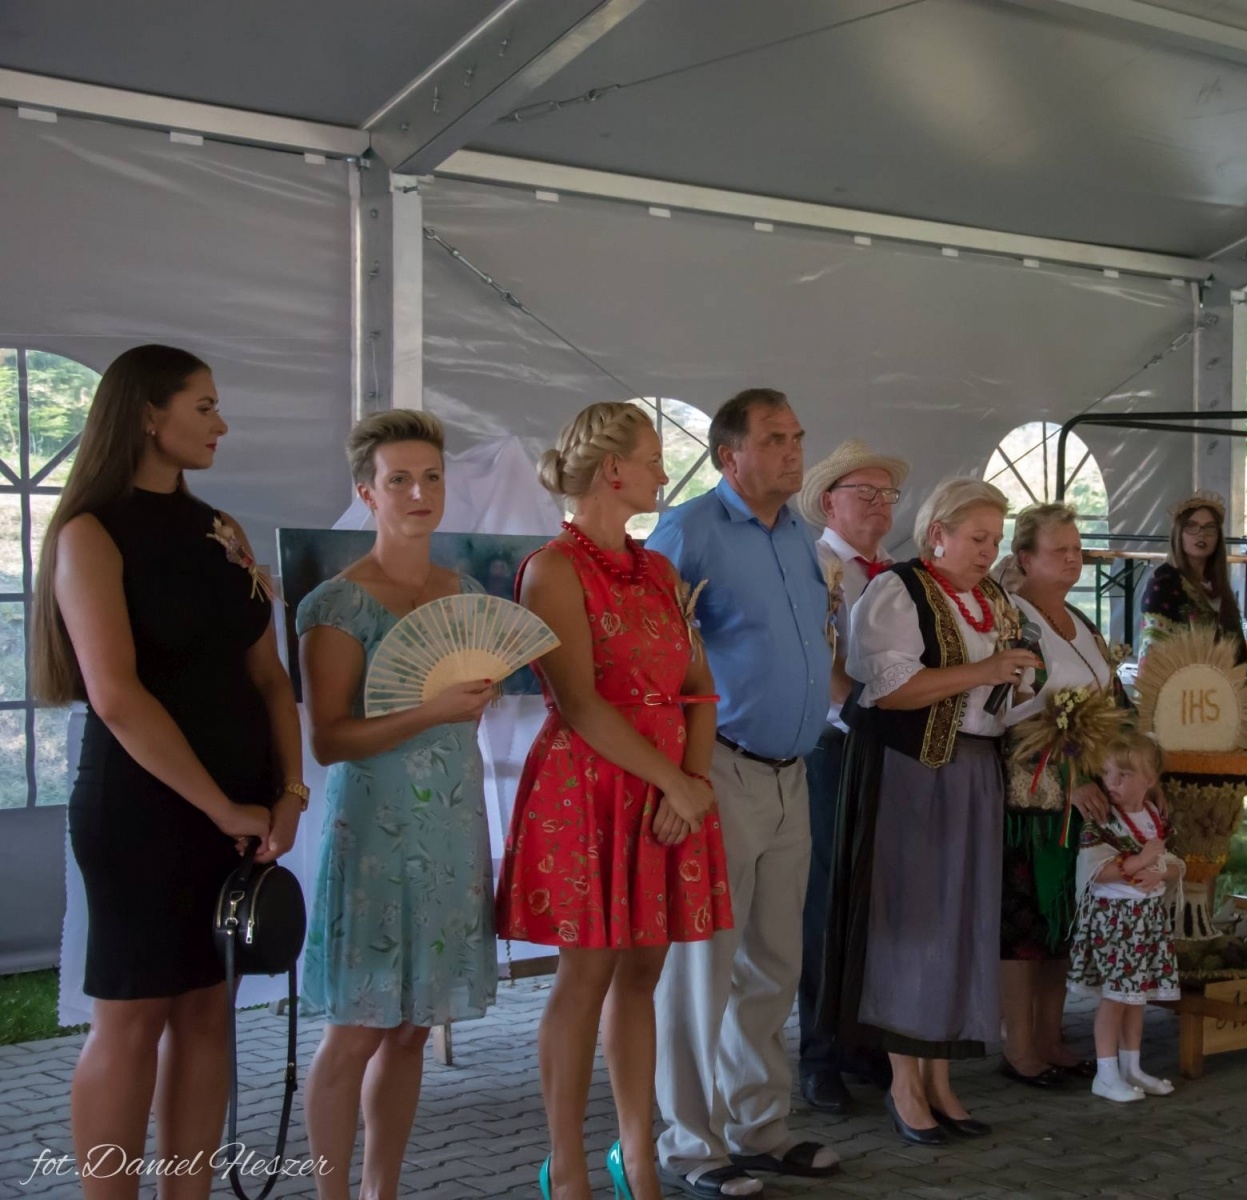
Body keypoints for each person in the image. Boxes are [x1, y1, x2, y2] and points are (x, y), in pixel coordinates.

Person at [34, 344, 305, 1200]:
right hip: (142, 813)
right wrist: (221, 805)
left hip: (241, 812)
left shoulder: (220, 529)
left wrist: (289, 792)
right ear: (149, 415)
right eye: (205, 406)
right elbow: (116, 695)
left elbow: (271, 678)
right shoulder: (90, 533)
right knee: (132, 1017)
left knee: (207, 1012)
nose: (221, 423)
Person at [499, 402, 734, 1200]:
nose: (664, 472)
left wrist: (692, 784)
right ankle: (564, 1163)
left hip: (667, 788)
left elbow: (699, 688)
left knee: (644, 972)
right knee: (586, 974)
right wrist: (676, 782)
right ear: (613, 471)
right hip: (589, 786)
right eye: (654, 457)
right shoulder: (552, 569)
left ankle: (636, 1156)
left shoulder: (659, 570)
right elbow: (579, 704)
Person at [298, 410, 498, 1200]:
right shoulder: (339, 605)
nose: (420, 493)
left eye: (432, 477)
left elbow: (462, 720)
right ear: (367, 493)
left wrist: (461, 710)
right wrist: (433, 709)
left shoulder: (465, 593)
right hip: (376, 836)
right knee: (357, 1028)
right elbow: (329, 740)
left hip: (450, 829)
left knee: (413, 1028)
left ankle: (381, 1189)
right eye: (400, 480)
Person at [646, 388, 835, 1200]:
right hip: (719, 771)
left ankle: (760, 1129)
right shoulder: (687, 531)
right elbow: (653, 659)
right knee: (703, 967)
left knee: (773, 963)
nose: (794, 451)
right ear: (730, 455)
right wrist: (678, 778)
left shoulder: (798, 533)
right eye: (775, 438)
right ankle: (692, 1144)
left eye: (797, 436)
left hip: (794, 772)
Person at [823, 478, 1040, 1146]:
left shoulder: (994, 600)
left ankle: (940, 1079)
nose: (988, 551)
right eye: (977, 537)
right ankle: (904, 1084)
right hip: (912, 771)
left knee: (959, 919)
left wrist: (1024, 690)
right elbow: (886, 692)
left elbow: (1004, 690)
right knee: (912, 919)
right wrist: (985, 673)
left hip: (975, 770)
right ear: (938, 533)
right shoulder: (899, 590)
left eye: (995, 540)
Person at [792, 438, 907, 1114]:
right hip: (833, 748)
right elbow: (816, 655)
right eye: (864, 492)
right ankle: (820, 1054)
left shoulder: (895, 573)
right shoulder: (813, 566)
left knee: (877, 899)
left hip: (887, 744)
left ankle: (866, 1042)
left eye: (886, 494)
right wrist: (856, 711)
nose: (878, 504)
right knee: (827, 902)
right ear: (828, 502)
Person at [995, 503, 1121, 1089]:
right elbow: (1008, 714)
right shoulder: (1013, 619)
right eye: (1059, 551)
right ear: (1025, 558)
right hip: (1030, 797)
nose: (1073, 560)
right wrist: (1069, 776)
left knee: (1061, 921)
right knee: (1025, 924)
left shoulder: (1079, 619)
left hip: (1082, 795)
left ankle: (1051, 1037)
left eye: (1077, 550)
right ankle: (1019, 1046)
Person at [1069, 729, 1182, 1102]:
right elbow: (1096, 871)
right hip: (1115, 921)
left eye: (1123, 775)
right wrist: (1140, 861)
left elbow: (1171, 861)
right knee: (1115, 997)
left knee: (1137, 996)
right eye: (1106, 773)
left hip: (1145, 919)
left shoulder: (1154, 815)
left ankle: (1132, 1067)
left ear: (1149, 780)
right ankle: (1105, 1074)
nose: (1111, 783)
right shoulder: (1102, 819)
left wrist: (1161, 872)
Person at [1139, 491, 1247, 668]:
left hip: (1223, 682)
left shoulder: (1219, 586)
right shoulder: (1164, 581)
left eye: (1209, 528)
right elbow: (1155, 651)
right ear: (1179, 533)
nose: (1201, 534)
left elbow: (1239, 654)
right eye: (1191, 526)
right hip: (1180, 681)